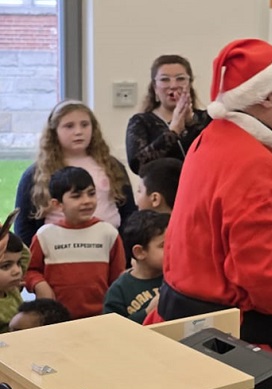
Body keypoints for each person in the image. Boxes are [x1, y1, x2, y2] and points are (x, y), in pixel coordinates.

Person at [152, 38, 272, 354]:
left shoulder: (213, 138)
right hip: (232, 345)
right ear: (266, 95)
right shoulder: (254, 163)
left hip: (186, 326)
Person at [14, 100, 136, 246]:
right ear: (54, 131)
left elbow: (129, 212)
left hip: (107, 247)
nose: (78, 131)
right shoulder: (38, 173)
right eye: (69, 126)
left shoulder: (112, 166)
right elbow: (23, 225)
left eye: (84, 125)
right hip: (56, 250)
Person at [23, 167, 125, 320]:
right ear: (57, 204)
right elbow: (30, 270)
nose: (86, 201)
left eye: (91, 194)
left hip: (100, 317)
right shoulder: (45, 235)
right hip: (55, 318)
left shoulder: (108, 233)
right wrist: (39, 284)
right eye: (76, 196)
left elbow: (118, 279)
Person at [125, 54, 211, 175]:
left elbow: (214, 157)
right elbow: (137, 165)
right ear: (155, 87)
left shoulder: (206, 119)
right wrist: (173, 132)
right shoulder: (141, 121)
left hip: (199, 189)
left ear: (190, 84)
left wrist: (191, 123)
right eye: (165, 79)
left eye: (180, 79)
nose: (173, 85)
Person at [104, 210, 168, 323]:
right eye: (163, 245)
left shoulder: (175, 279)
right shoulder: (119, 290)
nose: (171, 249)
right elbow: (112, 331)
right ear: (139, 252)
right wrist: (147, 312)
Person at [0, 228, 27, 333]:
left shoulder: (11, 289)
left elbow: (24, 253)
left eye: (18, 263)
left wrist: (4, 230)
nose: (17, 271)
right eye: (6, 266)